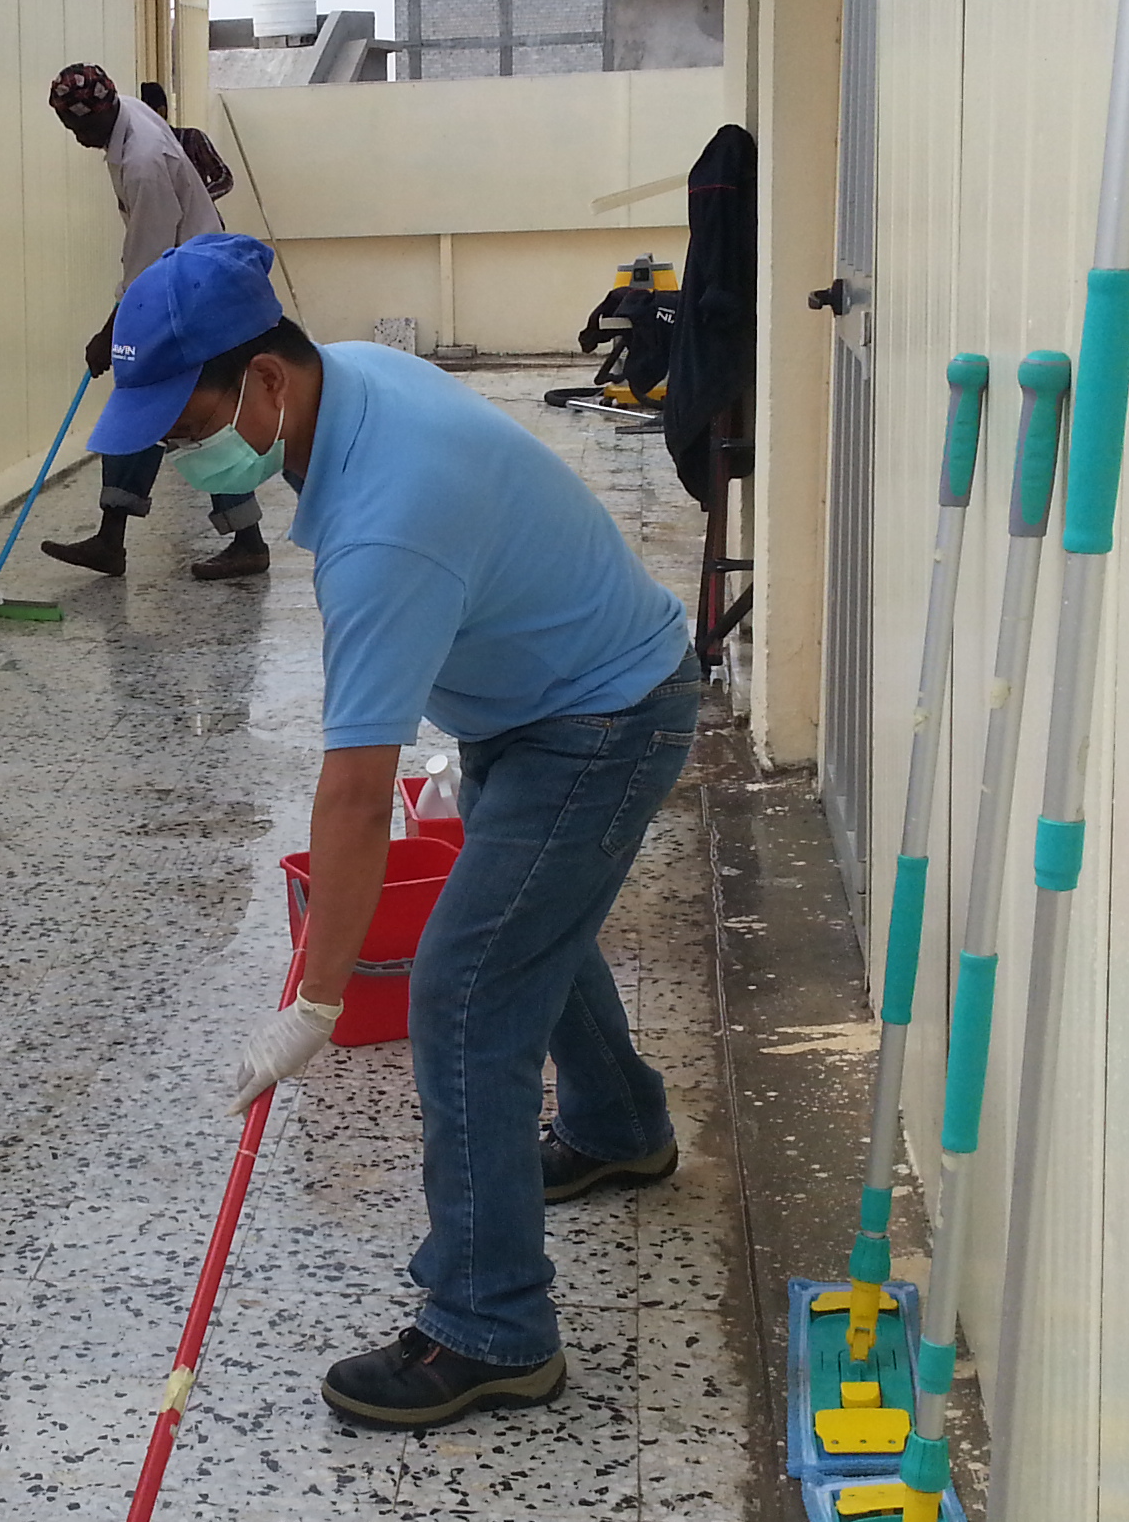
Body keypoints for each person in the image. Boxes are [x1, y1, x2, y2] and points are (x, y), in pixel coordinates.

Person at [87, 233, 700, 1429]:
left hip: (600, 719)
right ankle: (619, 1127)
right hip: (543, 695)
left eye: (187, 425)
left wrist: (318, 1002)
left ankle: (490, 1326)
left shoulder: (385, 524)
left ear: (267, 379)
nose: (180, 455)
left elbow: (357, 793)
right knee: (525, 925)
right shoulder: (349, 377)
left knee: (464, 988)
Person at [35, 63, 272, 584]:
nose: (77, 138)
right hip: (180, 279)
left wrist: (109, 335)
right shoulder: (128, 114)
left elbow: (148, 260)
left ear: (101, 113)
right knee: (149, 407)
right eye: (68, 127)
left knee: (191, 412)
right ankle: (114, 537)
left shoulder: (143, 162)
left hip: (189, 289)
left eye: (80, 128)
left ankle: (245, 542)